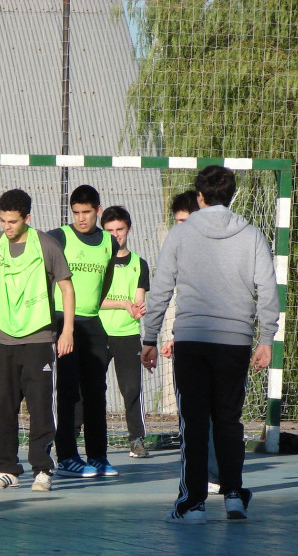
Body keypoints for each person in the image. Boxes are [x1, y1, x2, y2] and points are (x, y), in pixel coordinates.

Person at [141, 165, 279, 523]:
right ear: (231, 196)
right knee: (229, 422)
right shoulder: (251, 236)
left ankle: (193, 503)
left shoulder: (180, 235)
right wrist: (266, 339)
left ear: (199, 197)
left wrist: (149, 337)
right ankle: (233, 494)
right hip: (235, 342)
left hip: (193, 340)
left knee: (194, 422)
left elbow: (160, 291)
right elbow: (267, 292)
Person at [0, 189, 74, 492]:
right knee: (2, 406)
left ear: (27, 218)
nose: (6, 226)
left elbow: (66, 287)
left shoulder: (46, 244)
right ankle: (6, 468)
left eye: (12, 221)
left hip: (37, 339)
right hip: (2, 338)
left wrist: (68, 330)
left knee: (40, 407)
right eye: (3, 220)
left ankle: (43, 469)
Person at [45, 185, 119, 479]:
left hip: (93, 324)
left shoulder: (108, 243)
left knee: (95, 392)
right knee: (67, 392)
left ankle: (98, 456)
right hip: (63, 321)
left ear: (98, 211)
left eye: (86, 212)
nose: (81, 218)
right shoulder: (58, 237)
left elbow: (107, 280)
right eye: (76, 213)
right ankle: (66, 457)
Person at [162, 189, 221, 492]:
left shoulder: (215, 251)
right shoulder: (183, 251)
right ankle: (214, 475)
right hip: (193, 338)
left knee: (207, 413)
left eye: (184, 221)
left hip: (212, 341)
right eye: (177, 222)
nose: (180, 228)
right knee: (202, 413)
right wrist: (173, 335)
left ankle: (210, 475)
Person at [99, 205, 150, 459]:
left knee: (131, 389)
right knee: (88, 390)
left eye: (119, 229)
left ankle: (137, 439)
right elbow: (91, 300)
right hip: (97, 332)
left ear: (128, 229)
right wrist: (122, 303)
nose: (115, 234)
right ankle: (73, 436)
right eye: (109, 230)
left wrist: (137, 309)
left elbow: (138, 299)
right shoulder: (97, 261)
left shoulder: (139, 264)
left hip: (127, 334)